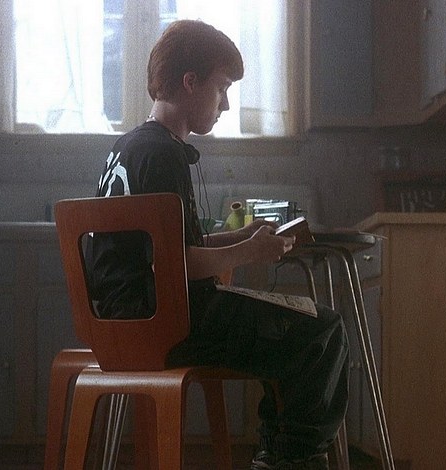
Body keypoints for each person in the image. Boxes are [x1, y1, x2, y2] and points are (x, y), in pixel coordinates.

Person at [84, 19, 349, 470]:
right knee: (321, 331)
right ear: (191, 82)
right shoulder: (164, 155)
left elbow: (164, 248)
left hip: (127, 319)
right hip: (169, 323)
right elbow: (175, 264)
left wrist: (239, 236)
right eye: (222, 88)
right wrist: (250, 252)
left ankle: (280, 457)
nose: (225, 103)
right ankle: (285, 461)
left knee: (303, 331)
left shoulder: (130, 148)